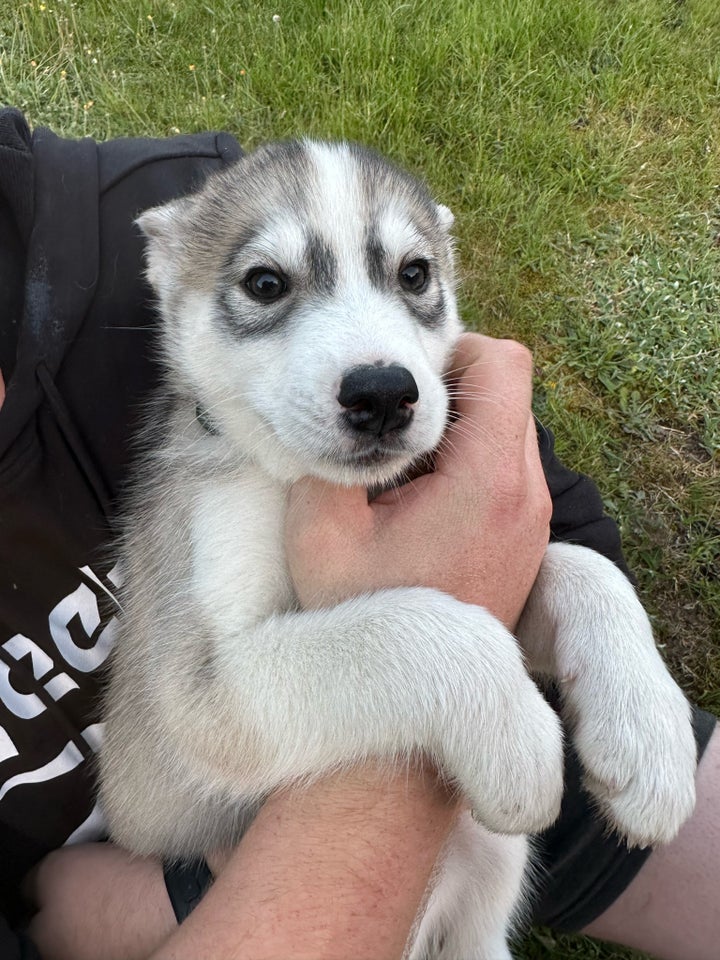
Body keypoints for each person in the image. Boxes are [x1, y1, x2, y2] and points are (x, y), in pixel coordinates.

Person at [0, 108, 717, 960]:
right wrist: (458, 667)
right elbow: (212, 709)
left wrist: (596, 606)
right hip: (204, 851)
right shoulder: (214, 467)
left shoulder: (106, 195)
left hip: (453, 800)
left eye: (412, 275)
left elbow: (514, 544)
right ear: (165, 268)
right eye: (268, 287)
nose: (378, 368)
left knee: (498, 844)